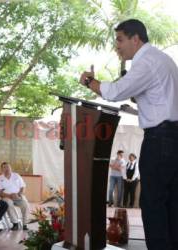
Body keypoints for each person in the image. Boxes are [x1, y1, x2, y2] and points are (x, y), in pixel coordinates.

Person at [79, 19, 178, 250]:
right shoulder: (164, 60)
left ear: (136, 39)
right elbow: (160, 99)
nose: (117, 46)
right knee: (171, 205)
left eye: (120, 39)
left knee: (153, 204)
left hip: (160, 140)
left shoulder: (146, 62)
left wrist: (89, 81)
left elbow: (115, 92)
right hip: (173, 139)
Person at [0, 162, 29, 230]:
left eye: (8, 167)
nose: (7, 169)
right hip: (7, 197)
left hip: (18, 196)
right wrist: (10, 195)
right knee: (8, 204)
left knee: (25, 205)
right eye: (4, 167)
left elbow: (23, 187)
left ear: (11, 168)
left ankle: (25, 224)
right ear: (1, 169)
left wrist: (19, 194)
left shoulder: (16, 175)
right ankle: (15, 223)